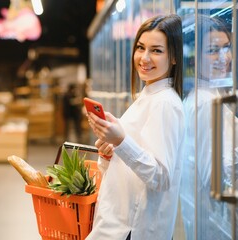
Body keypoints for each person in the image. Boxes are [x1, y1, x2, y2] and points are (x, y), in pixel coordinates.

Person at [86, 14, 184, 240]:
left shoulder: (165, 103)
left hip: (133, 229)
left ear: (174, 57)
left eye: (156, 50)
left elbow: (161, 177)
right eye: (141, 48)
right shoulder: (148, 96)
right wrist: (110, 151)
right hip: (119, 222)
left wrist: (121, 141)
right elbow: (136, 164)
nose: (144, 58)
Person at [181, 14, 236, 240]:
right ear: (194, 58)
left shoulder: (203, 95)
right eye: (213, 50)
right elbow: (213, 175)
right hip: (215, 224)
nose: (224, 57)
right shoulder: (205, 102)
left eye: (227, 48)